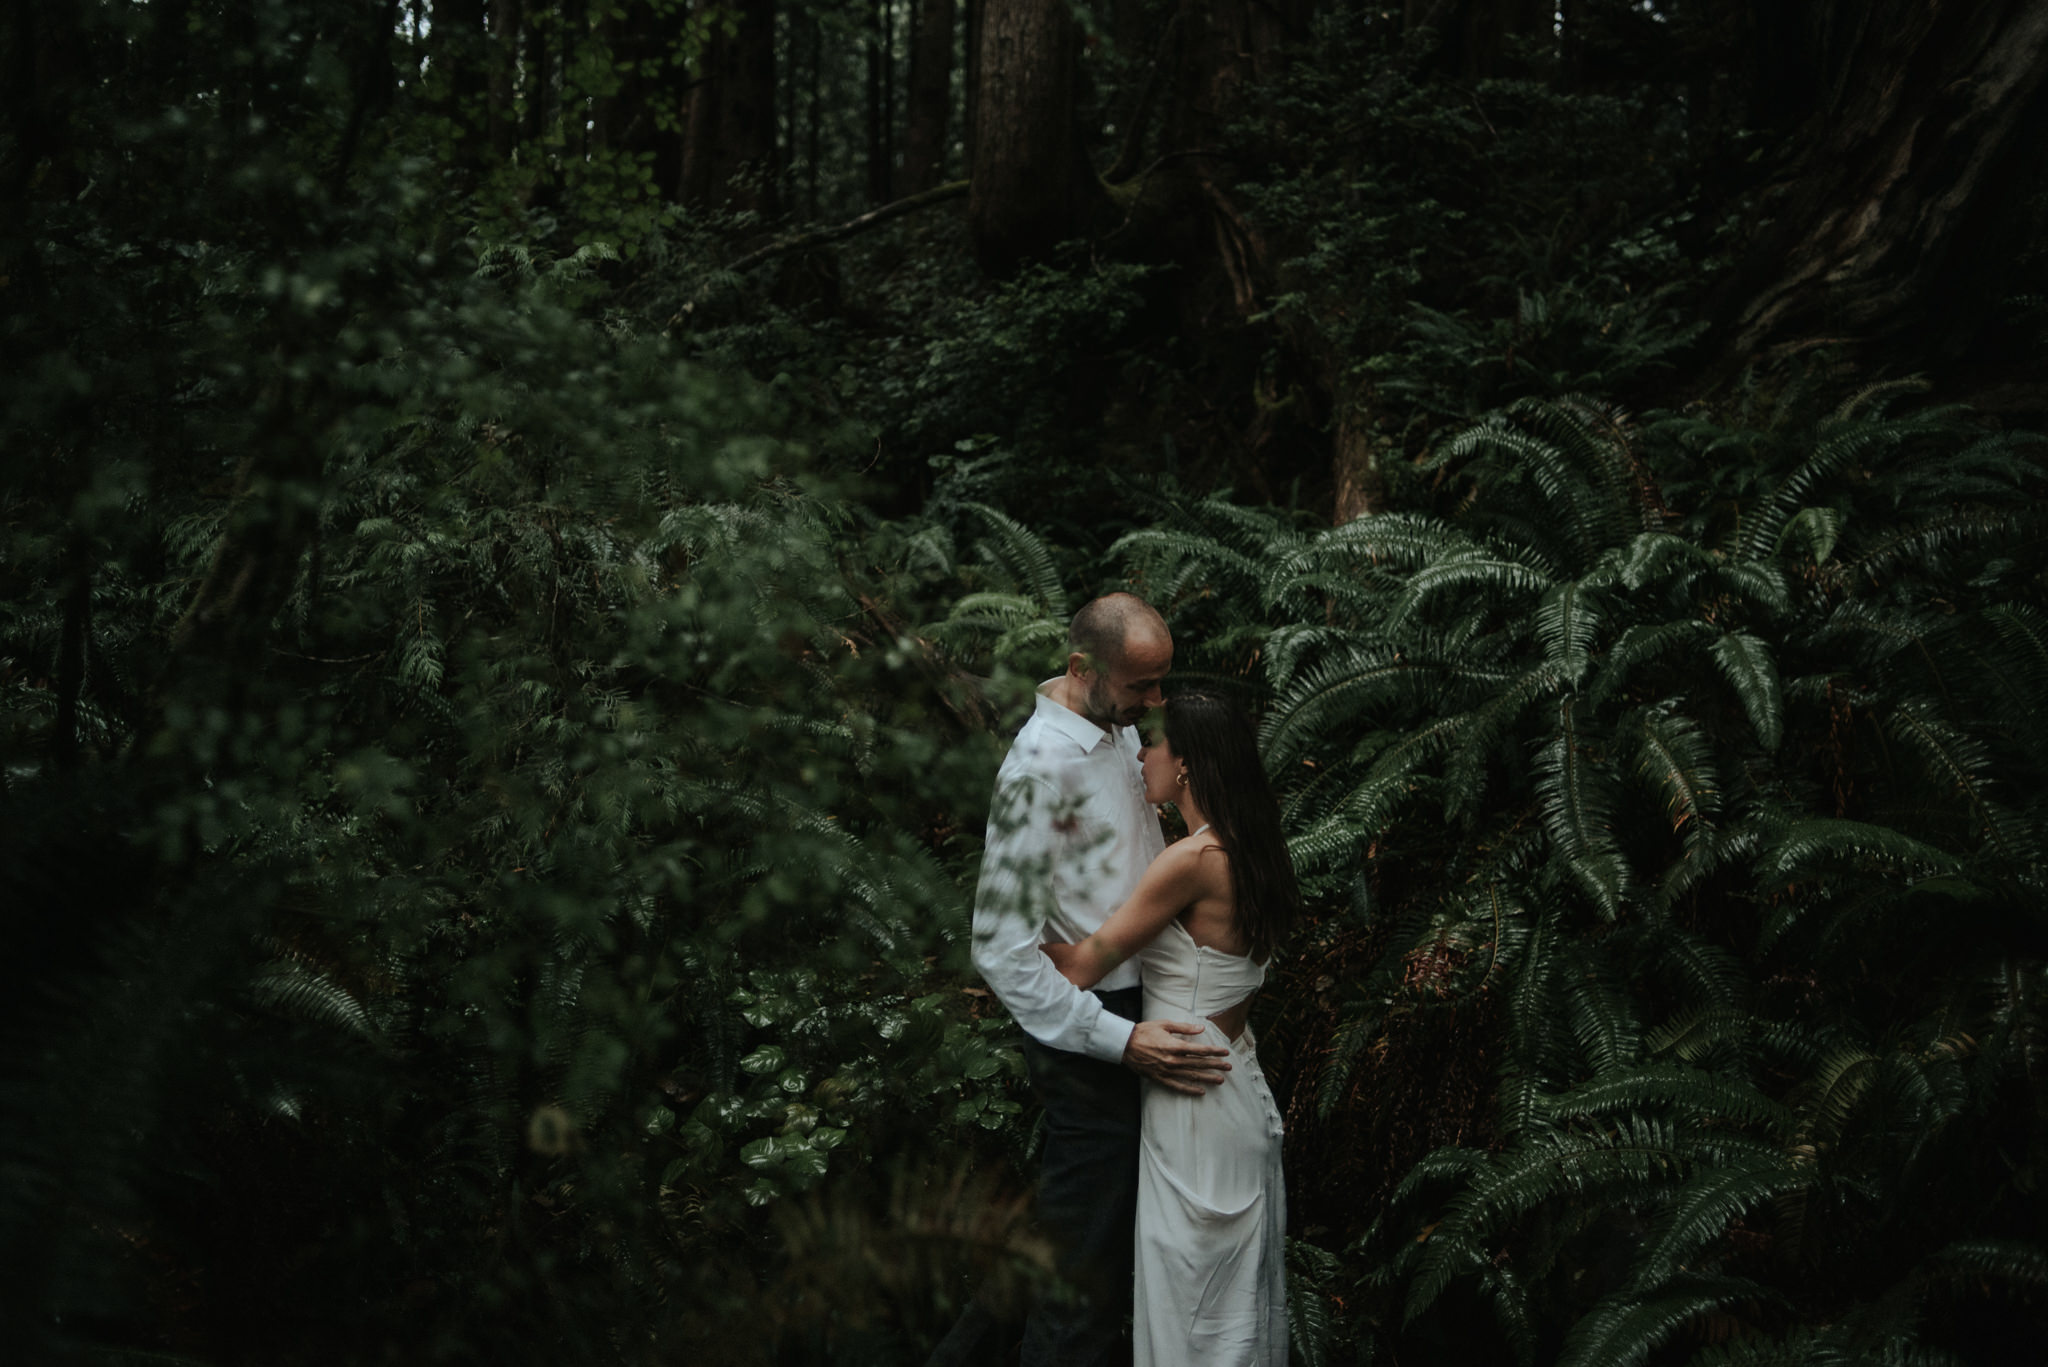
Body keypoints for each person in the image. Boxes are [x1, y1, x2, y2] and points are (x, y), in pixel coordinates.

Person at [940, 593, 1234, 1367]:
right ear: (1082, 668)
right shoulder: (1040, 773)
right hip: (1092, 1036)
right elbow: (1002, 949)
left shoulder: (1118, 727)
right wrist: (1120, 1039)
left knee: (1077, 1237)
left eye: (1161, 682)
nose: (1157, 702)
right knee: (1087, 1284)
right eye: (1144, 685)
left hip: (1143, 1005)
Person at [1042, 691, 1300, 1367]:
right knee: (1225, 1305)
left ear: (1184, 765)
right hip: (1234, 1078)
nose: (1141, 759)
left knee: (1189, 1308)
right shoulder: (1256, 848)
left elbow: (1079, 965)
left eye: (1151, 745)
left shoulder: (1189, 860)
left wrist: (1010, 933)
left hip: (1190, 1092)